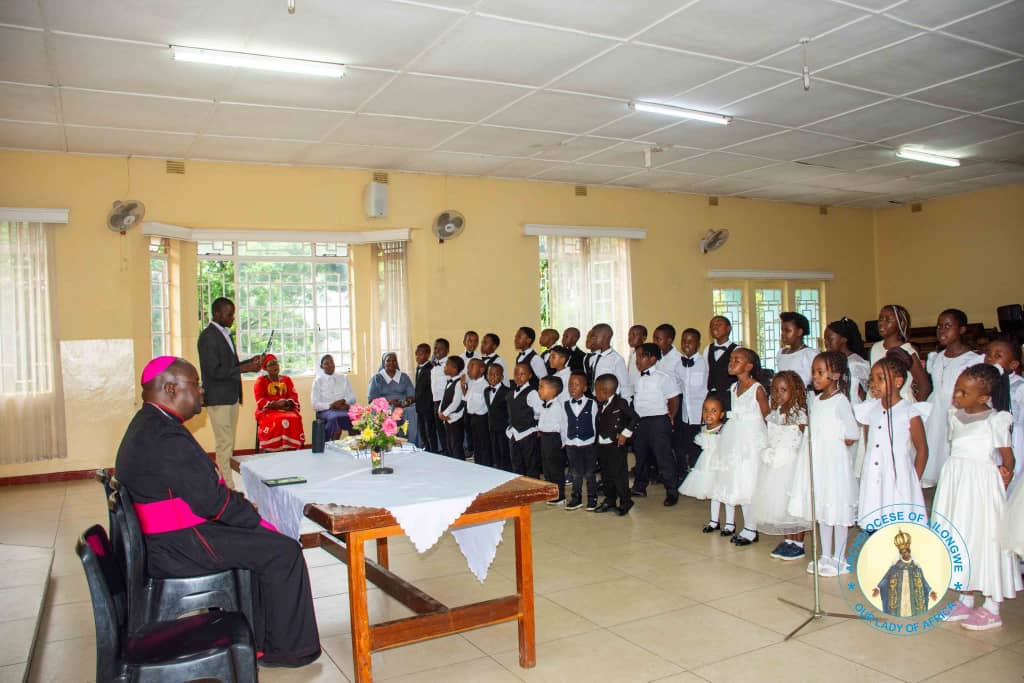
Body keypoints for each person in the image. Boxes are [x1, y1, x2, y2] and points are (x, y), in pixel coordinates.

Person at [115, 356, 320, 667]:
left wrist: (242, 514)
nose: (201, 392)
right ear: (170, 389)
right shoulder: (165, 435)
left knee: (256, 538)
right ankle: (286, 649)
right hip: (178, 543)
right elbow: (212, 502)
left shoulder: (151, 423)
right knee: (283, 551)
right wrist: (251, 515)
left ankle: (262, 634)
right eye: (196, 385)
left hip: (169, 536)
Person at [932, 364, 1020, 631]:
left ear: (983, 397)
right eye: (957, 389)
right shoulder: (954, 415)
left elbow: (1008, 457)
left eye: (962, 392)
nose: (955, 396)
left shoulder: (997, 420)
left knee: (985, 536)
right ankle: (965, 595)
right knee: (960, 533)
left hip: (981, 486)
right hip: (956, 484)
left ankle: (992, 605)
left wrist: (1005, 473)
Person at [788, 353, 860, 575]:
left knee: (837, 511)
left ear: (835, 375)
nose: (815, 377)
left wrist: (832, 445)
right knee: (823, 511)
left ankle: (839, 558)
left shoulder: (841, 401)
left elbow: (852, 433)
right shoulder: (816, 400)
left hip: (833, 464)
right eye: (814, 372)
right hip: (817, 463)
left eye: (820, 372)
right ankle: (825, 555)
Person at [854, 355, 930, 529]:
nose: (873, 384)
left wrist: (912, 480)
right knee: (876, 515)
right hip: (875, 473)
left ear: (898, 382)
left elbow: (922, 450)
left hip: (899, 476)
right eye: (872, 379)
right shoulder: (869, 410)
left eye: (880, 379)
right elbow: (870, 444)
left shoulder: (909, 412)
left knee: (898, 522)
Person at [197, 297, 262, 487]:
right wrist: (244, 369)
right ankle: (227, 486)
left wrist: (249, 363)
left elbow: (230, 366)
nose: (232, 317)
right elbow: (213, 371)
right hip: (219, 398)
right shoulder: (208, 336)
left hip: (231, 396)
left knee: (228, 442)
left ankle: (226, 482)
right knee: (224, 443)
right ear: (217, 314)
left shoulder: (225, 333)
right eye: (229, 314)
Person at [750, 371, 810, 562]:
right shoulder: (775, 414)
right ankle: (788, 540)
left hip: (791, 465)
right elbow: (771, 436)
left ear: (795, 391)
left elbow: (796, 440)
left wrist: (782, 454)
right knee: (780, 505)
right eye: (775, 390)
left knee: (792, 505)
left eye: (783, 390)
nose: (778, 394)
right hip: (774, 464)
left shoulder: (798, 414)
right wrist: (767, 451)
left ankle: (798, 543)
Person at [922, 309, 984, 487]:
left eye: (948, 326)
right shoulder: (936, 358)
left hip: (957, 410)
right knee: (934, 447)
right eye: (939, 326)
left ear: (962, 330)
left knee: (950, 449)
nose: (942, 330)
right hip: (936, 411)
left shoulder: (972, 360)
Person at [714, 347, 768, 546]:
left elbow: (766, 415)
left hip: (751, 440)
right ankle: (748, 526)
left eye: (737, 360)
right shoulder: (735, 387)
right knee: (739, 480)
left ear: (749, 366)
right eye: (731, 359)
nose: (731, 362)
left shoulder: (757, 389)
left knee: (750, 479)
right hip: (735, 437)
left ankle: (752, 528)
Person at [629, 343, 682, 505]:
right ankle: (640, 486)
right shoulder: (638, 378)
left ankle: (672, 491)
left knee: (663, 456)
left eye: (641, 356)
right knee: (641, 455)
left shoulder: (663, 377)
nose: (637, 360)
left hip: (658, 420)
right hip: (641, 421)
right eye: (636, 356)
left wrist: (671, 415)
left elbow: (674, 398)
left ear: (652, 359)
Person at [678, 395, 726, 526]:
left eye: (714, 411)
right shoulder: (704, 429)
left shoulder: (724, 430)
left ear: (722, 414)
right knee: (713, 493)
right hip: (707, 464)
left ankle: (730, 524)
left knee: (725, 493)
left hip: (721, 464)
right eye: (705, 410)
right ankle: (714, 521)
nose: (708, 414)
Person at [592, 374, 636, 515]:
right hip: (602, 444)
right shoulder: (600, 402)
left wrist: (625, 434)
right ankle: (610, 499)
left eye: (597, 390)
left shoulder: (621, 403)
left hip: (615, 445)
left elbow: (634, 418)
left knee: (619, 475)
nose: (595, 393)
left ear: (605, 391)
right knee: (606, 475)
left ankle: (625, 501)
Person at [985, 337, 1024, 493]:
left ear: (1013, 365)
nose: (990, 359)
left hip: (1015, 439)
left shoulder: (1019, 387)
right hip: (991, 439)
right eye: (988, 354)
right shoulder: (983, 385)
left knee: (1014, 478)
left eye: (997, 356)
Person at [870, 304, 931, 402]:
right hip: (879, 402)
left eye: (888, 320)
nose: (882, 323)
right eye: (880, 319)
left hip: (902, 403)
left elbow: (924, 386)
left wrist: (915, 409)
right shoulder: (875, 347)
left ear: (900, 324)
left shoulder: (907, 350)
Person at [653, 324, 690, 482]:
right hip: (660, 403)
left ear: (669, 340)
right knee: (663, 441)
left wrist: (673, 409)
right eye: (654, 338)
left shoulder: (677, 359)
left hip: (674, 402)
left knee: (677, 442)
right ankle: (665, 471)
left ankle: (681, 472)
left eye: (659, 339)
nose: (655, 341)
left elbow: (682, 384)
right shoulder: (657, 356)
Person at [872, 529, 938, 618]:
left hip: (913, 593)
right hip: (898, 594)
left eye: (906, 552)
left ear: (909, 552)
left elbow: (923, 581)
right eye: (903, 552)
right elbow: (886, 578)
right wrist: (878, 588)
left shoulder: (916, 568)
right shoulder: (895, 567)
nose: (905, 554)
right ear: (900, 554)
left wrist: (931, 591)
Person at [254, 354, 304, 452]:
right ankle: (273, 449)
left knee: (294, 418)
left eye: (276, 363)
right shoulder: (261, 381)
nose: (275, 366)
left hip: (286, 409)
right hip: (268, 411)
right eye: (271, 364)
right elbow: (260, 400)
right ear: (266, 368)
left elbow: (293, 396)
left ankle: (290, 448)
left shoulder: (287, 379)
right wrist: (276, 405)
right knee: (278, 419)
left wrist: (286, 404)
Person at [564, 373, 598, 511]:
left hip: (588, 444)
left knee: (590, 473)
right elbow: (564, 424)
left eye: (577, 385)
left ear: (584, 388)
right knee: (575, 473)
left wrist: (595, 441)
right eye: (570, 384)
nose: (573, 388)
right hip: (572, 444)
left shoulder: (592, 403)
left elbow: (595, 423)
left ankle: (592, 497)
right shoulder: (565, 404)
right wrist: (565, 441)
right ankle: (576, 497)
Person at [368, 351, 417, 444]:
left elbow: (412, 395)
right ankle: (387, 443)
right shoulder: (377, 378)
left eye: (394, 360)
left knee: (413, 411)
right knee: (387, 410)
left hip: (404, 406)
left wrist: (404, 403)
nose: (391, 363)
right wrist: (388, 402)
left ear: (397, 363)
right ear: (384, 363)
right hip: (386, 406)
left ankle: (412, 443)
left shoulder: (404, 377)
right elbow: (372, 399)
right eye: (388, 360)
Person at [506, 362, 542, 478]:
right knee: (516, 464)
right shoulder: (512, 392)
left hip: (527, 433)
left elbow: (539, 412)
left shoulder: (532, 393)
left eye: (522, 374)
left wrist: (534, 424)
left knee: (530, 465)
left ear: (529, 376)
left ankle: (533, 491)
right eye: (516, 373)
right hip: (514, 433)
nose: (518, 376)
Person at [310, 354, 357, 440]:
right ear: (321, 366)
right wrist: (331, 405)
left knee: (356, 416)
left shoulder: (343, 377)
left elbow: (353, 397)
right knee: (335, 419)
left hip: (343, 408)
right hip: (326, 410)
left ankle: (355, 445)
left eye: (332, 362)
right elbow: (314, 404)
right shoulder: (318, 381)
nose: (330, 365)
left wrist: (344, 401)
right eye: (326, 363)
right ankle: (332, 447)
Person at [537, 376, 567, 505]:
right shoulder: (545, 405)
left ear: (553, 391)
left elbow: (564, 425)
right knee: (547, 467)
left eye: (541, 387)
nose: (539, 390)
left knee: (555, 469)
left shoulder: (558, 407)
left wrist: (564, 442)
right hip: (545, 438)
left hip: (554, 440)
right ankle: (551, 493)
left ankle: (559, 496)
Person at [585, 324, 630, 398]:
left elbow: (625, 386)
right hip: (595, 399)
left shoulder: (617, 359)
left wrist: (625, 404)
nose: (592, 340)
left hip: (610, 400)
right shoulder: (594, 357)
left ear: (605, 337)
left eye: (594, 337)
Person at [777, 312, 818, 388]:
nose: (783, 334)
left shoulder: (809, 354)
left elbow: (813, 381)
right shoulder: (781, 353)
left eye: (787, 331)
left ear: (799, 332)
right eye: (782, 330)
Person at [462, 358, 491, 466]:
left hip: (482, 419)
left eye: (472, 367)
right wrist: (462, 386)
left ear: (482, 369)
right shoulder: (473, 383)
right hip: (472, 418)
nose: (469, 370)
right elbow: (467, 399)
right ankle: (478, 464)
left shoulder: (485, 385)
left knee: (484, 446)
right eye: (468, 367)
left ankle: (486, 466)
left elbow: (486, 405)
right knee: (476, 445)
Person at [706, 315, 738, 411]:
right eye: (712, 325)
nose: (715, 327)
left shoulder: (737, 350)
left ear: (729, 328)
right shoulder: (707, 349)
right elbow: (707, 372)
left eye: (719, 324)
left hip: (729, 396)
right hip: (712, 396)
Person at [484, 363, 511, 471]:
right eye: (490, 374)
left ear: (502, 377)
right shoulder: (486, 391)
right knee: (496, 455)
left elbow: (509, 413)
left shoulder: (507, 392)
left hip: (504, 430)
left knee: (505, 454)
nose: (492, 377)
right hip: (492, 428)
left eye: (496, 374)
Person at [438, 356, 466, 459]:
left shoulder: (459, 383)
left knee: (456, 446)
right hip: (447, 419)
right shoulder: (449, 381)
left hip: (455, 419)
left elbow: (456, 402)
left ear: (454, 369)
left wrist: (445, 413)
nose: (444, 367)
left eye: (447, 365)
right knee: (450, 445)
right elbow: (444, 397)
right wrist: (440, 411)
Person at [413, 343, 438, 451]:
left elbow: (428, 389)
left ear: (427, 354)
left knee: (430, 432)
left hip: (428, 406)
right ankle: (427, 448)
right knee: (422, 430)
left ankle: (433, 450)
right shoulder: (419, 368)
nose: (418, 356)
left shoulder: (431, 368)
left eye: (421, 354)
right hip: (420, 406)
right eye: (416, 354)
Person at [430, 338, 451, 454]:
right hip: (436, 401)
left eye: (440, 349)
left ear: (447, 350)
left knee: (449, 432)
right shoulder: (434, 365)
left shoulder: (450, 364)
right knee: (440, 431)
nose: (437, 351)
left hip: (446, 402)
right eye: (435, 348)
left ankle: (451, 454)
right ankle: (445, 451)